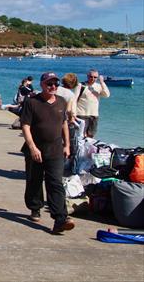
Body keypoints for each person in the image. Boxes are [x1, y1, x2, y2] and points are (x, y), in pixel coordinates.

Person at [20, 72, 74, 234]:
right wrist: (32, 147)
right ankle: (35, 208)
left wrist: (67, 145)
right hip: (35, 149)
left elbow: (64, 123)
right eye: (49, 84)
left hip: (56, 149)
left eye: (55, 84)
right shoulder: (32, 102)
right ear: (42, 85)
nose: (53, 87)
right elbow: (25, 126)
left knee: (55, 182)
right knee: (34, 180)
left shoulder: (62, 102)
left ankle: (60, 218)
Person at [74, 69, 110, 138]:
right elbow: (74, 100)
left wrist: (102, 82)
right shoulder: (80, 85)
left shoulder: (99, 86)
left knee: (91, 136)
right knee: (80, 136)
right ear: (87, 76)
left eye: (95, 77)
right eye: (91, 76)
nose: (93, 78)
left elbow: (107, 95)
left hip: (94, 115)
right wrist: (73, 113)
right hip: (81, 114)